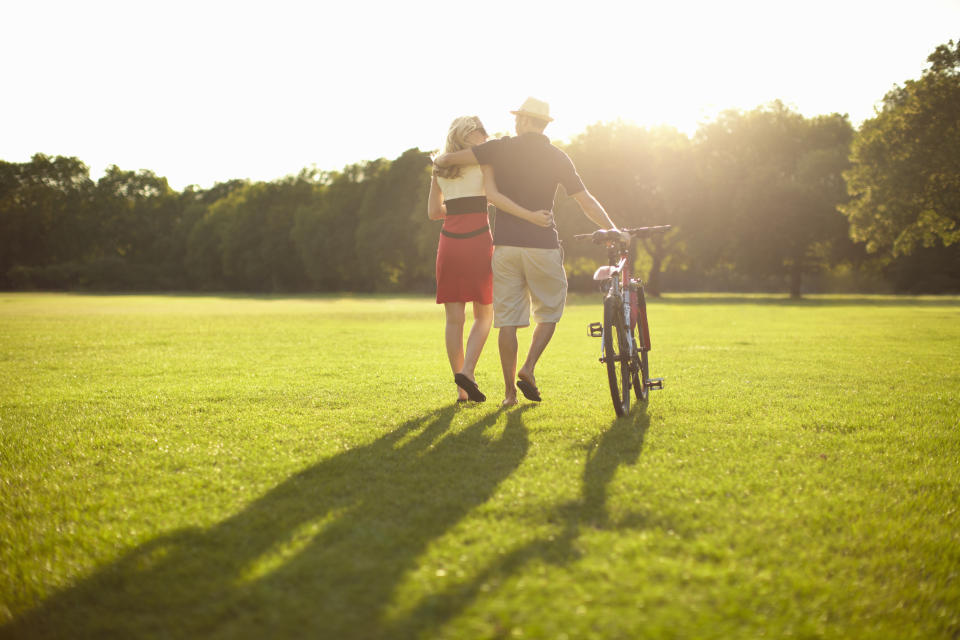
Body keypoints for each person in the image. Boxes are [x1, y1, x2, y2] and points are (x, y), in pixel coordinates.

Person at [434, 98, 628, 407]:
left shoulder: (499, 148)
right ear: (544, 124)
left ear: (524, 121)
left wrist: (448, 165)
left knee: (507, 321)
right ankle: (529, 367)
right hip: (542, 246)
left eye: (518, 119)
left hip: (505, 247)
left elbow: (446, 160)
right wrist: (613, 227)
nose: (515, 123)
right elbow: (586, 200)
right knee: (550, 311)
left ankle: (510, 394)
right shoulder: (557, 157)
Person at [428, 115, 553, 404]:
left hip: (449, 244)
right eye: (479, 131)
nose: (485, 135)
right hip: (478, 241)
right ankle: (468, 373)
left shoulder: (439, 167)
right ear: (466, 135)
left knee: (453, 319)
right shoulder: (484, 162)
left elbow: (434, 212)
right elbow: (495, 196)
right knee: (484, 315)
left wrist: (457, 206)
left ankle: (461, 387)